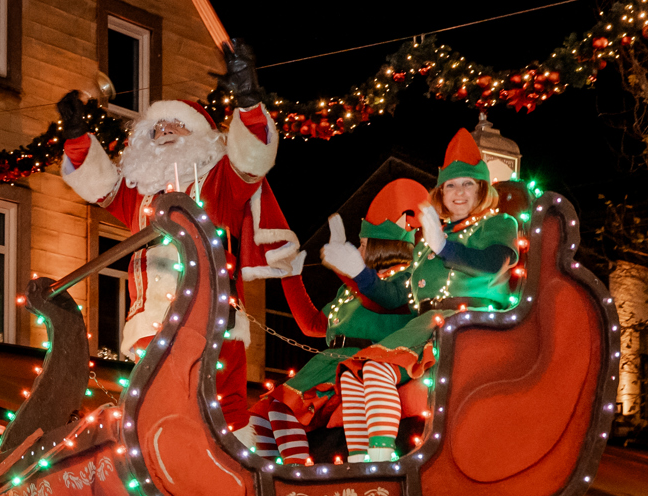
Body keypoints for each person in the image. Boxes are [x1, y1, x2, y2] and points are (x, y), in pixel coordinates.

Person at [54, 39, 304, 431]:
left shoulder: (220, 183)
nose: (165, 131)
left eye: (177, 125)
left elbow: (252, 158)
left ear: (202, 136)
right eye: (157, 128)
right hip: (153, 325)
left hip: (216, 320)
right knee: (162, 411)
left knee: (227, 413)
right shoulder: (137, 194)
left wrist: (248, 101)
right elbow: (99, 183)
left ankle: (239, 465)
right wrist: (76, 136)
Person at [343, 129, 522, 433]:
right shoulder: (427, 244)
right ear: (441, 193)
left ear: (482, 189)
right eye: (451, 185)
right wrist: (359, 272)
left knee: (375, 369)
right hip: (424, 327)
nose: (459, 192)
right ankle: (365, 458)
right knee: (356, 375)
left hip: (468, 325)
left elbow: (493, 264)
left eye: (468, 183)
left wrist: (444, 247)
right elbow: (395, 295)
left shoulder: (498, 223)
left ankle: (380, 456)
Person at [255, 179, 427, 463]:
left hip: (356, 363)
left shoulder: (404, 280)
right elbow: (312, 325)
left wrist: (348, 270)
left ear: (382, 247)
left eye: (363, 244)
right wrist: (290, 276)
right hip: (325, 363)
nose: (357, 249)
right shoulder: (349, 291)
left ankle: (297, 473)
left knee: (283, 408)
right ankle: (272, 474)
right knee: (262, 414)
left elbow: (381, 299)